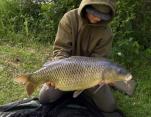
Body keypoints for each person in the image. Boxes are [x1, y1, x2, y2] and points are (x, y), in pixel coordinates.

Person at [39, 0, 136, 113]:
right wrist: (56, 71)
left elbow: (100, 60)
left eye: (102, 16)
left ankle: (82, 90)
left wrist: (101, 78)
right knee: (45, 98)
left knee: (109, 106)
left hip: (91, 75)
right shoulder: (70, 18)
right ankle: (69, 88)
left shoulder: (106, 32)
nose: (97, 19)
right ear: (86, 7)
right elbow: (61, 50)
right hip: (66, 71)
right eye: (94, 14)